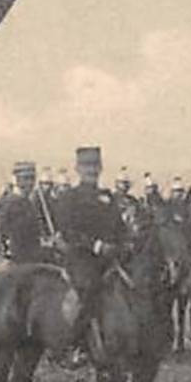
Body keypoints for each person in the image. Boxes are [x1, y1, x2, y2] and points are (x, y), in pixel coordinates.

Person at [51, 147, 130, 358]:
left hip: (109, 256)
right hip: (81, 258)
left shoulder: (108, 197)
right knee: (89, 287)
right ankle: (76, 343)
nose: (91, 170)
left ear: (101, 168)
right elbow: (68, 230)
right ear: (77, 169)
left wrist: (124, 243)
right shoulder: (70, 197)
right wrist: (96, 245)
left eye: (95, 166)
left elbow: (120, 228)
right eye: (86, 166)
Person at [0, 161, 54, 263]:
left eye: (32, 178)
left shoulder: (29, 203)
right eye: (24, 179)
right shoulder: (10, 203)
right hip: (19, 257)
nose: (29, 183)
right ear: (15, 180)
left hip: (31, 254)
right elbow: (6, 232)